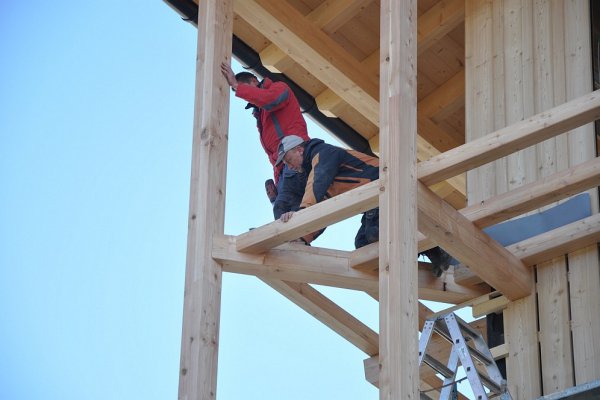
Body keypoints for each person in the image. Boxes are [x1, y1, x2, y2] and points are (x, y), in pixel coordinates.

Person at [276, 135, 452, 275]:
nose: (288, 166)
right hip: (375, 202)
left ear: (299, 150)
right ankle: (424, 253)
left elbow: (316, 184)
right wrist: (302, 238)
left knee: (375, 233)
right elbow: (320, 209)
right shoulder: (321, 174)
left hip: (388, 189)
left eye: (287, 159)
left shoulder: (323, 154)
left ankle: (429, 246)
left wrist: (301, 214)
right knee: (363, 247)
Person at [220, 62, 309, 219]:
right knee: (285, 210)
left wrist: (236, 85)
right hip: (284, 169)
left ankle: (296, 240)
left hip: (297, 155)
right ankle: (297, 241)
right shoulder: (261, 115)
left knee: (286, 209)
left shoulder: (279, 88)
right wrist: (277, 182)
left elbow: (270, 100)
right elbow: (273, 154)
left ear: (254, 81)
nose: (245, 96)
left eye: (244, 89)